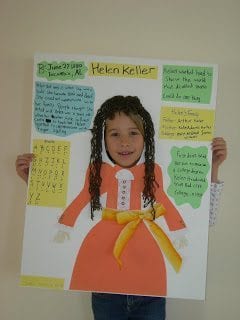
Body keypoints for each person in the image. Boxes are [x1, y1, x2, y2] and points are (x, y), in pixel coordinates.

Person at [16, 96, 227, 320]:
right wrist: (35, 182)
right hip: (104, 283)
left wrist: (211, 168)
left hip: (148, 282)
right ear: (102, 139)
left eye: (133, 133)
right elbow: (78, 199)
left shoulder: (152, 171)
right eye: (115, 134)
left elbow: (182, 209)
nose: (124, 142)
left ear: (146, 138)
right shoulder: (98, 171)